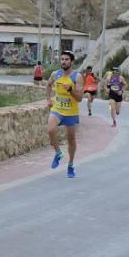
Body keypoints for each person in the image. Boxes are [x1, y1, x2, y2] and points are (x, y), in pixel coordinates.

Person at [46, 50, 84, 178]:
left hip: (71, 112)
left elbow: (79, 98)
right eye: (62, 59)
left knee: (71, 140)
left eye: (66, 59)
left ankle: (71, 165)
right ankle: (58, 153)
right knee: (51, 130)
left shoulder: (77, 77)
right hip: (57, 109)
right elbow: (48, 85)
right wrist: (48, 99)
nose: (64, 61)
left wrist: (71, 90)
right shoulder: (55, 74)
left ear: (71, 62)